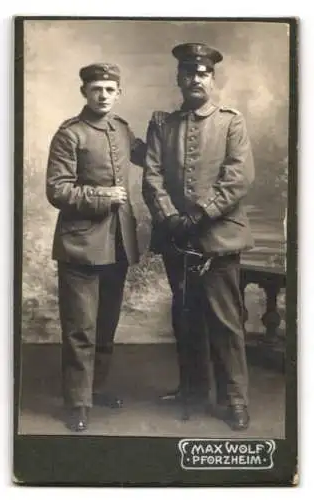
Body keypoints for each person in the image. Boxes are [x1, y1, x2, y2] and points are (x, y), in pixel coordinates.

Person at [142, 43, 255, 430]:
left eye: (202, 73)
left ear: (212, 78)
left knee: (225, 322)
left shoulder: (231, 122)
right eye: (188, 73)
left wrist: (200, 213)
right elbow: (152, 175)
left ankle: (235, 399)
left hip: (218, 236)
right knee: (186, 316)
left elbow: (238, 177)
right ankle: (192, 390)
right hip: (177, 237)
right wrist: (169, 216)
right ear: (179, 78)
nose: (195, 79)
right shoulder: (162, 124)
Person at [46, 63, 147, 432]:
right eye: (96, 89)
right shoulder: (70, 134)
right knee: (80, 328)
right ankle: (76, 402)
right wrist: (102, 195)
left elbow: (149, 156)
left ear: (119, 92)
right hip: (81, 245)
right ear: (84, 93)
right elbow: (56, 189)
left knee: (105, 325)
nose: (103, 95)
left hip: (118, 244)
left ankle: (94, 389)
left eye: (109, 89)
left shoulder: (121, 130)